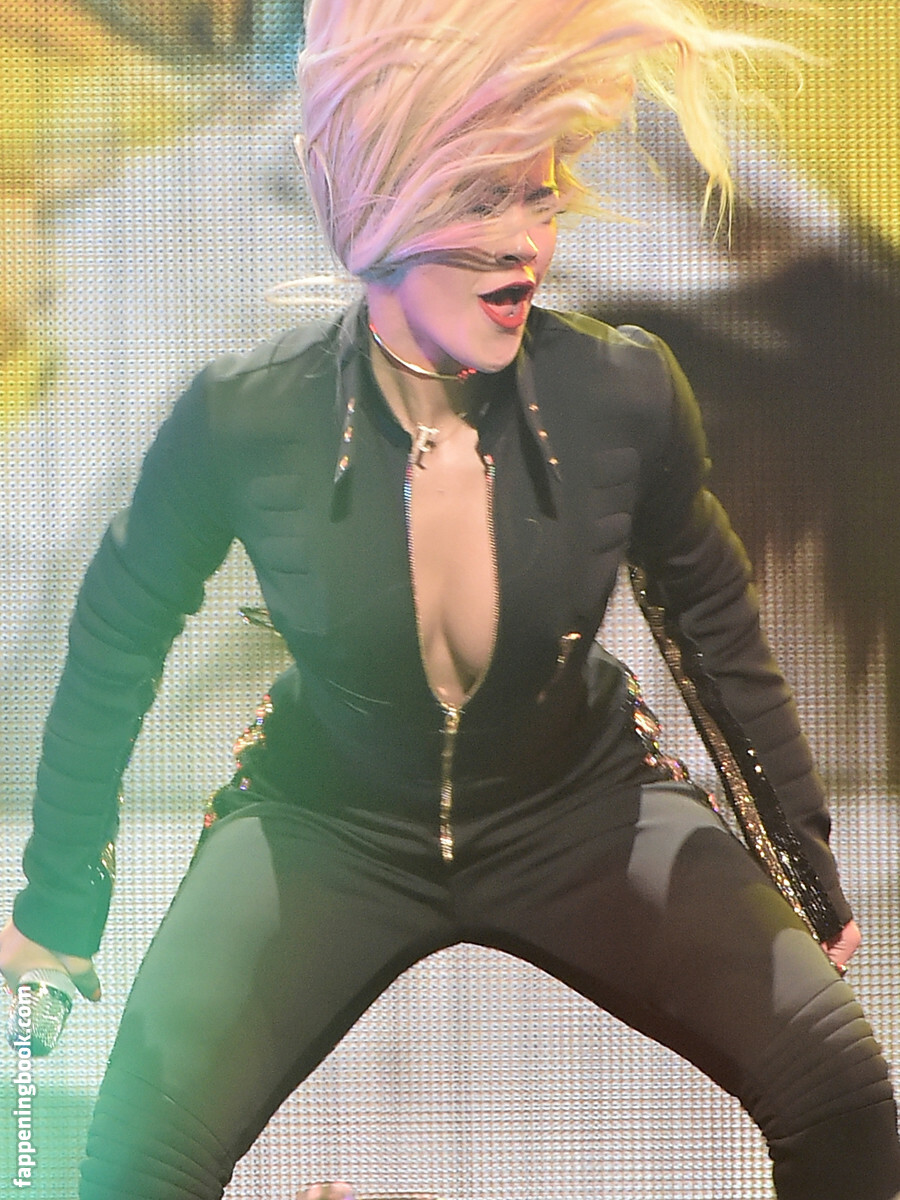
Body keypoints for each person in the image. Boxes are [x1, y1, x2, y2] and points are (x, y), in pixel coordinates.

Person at [2, 0, 899, 1196]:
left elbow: (715, 633)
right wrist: (59, 907)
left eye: (538, 195)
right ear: (377, 205)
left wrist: (805, 873)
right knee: (128, 1163)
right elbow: (115, 640)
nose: (524, 242)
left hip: (582, 804)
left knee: (843, 1089)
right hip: (323, 822)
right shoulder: (242, 412)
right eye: (481, 201)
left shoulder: (624, 391)